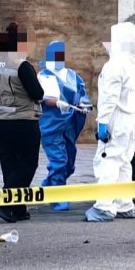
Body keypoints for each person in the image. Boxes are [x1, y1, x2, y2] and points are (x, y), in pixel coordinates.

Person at [85, 22, 135, 222]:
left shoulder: (114, 66)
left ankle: (104, 207)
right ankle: (124, 204)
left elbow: (109, 98)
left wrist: (102, 122)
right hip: (134, 119)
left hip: (117, 119)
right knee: (124, 162)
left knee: (107, 161)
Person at [0, 22, 44, 223]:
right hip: (23, 121)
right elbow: (37, 93)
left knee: (10, 165)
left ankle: (18, 208)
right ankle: (3, 202)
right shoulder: (22, 66)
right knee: (27, 164)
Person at [37, 41, 92, 212]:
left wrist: (83, 104)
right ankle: (57, 196)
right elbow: (42, 97)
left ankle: (48, 185)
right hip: (51, 124)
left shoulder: (72, 75)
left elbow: (82, 93)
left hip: (70, 123)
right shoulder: (43, 76)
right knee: (59, 160)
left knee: (69, 162)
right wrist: (56, 103)